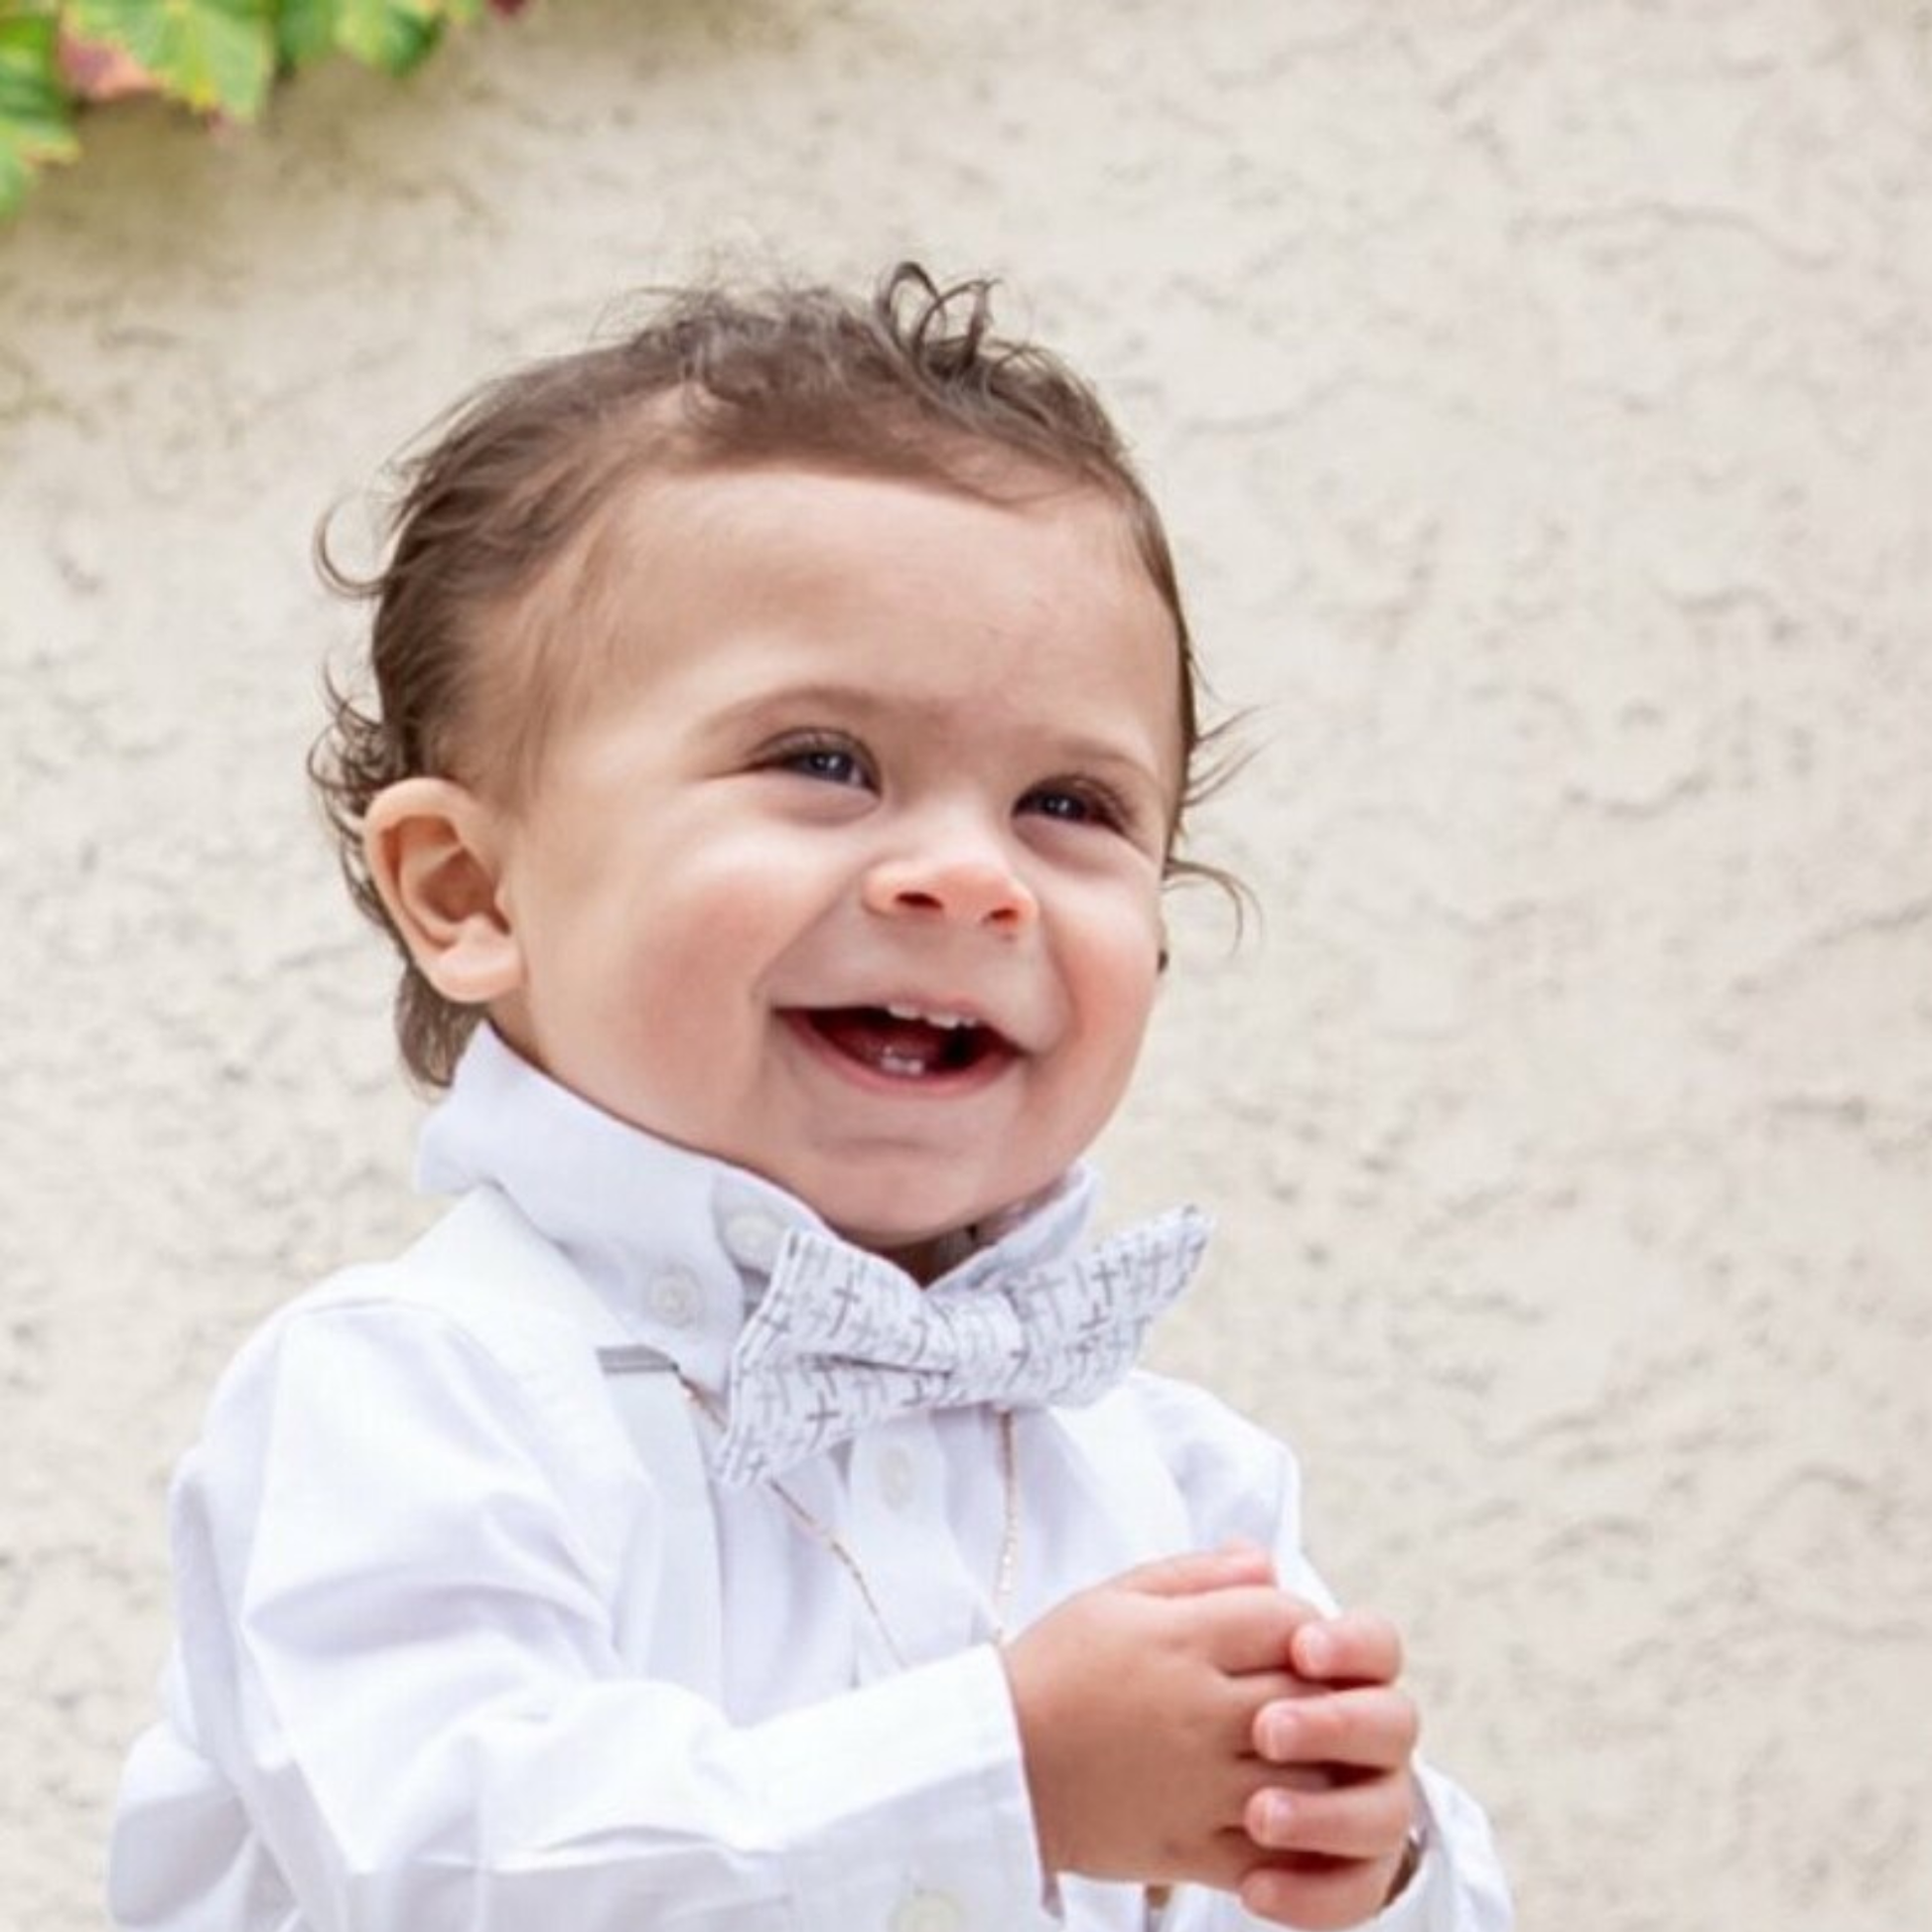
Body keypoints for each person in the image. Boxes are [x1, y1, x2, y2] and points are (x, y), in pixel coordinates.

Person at [108, 265, 1513, 1932]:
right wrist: (999, 1771)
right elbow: (453, 1867)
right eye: (824, 762)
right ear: (470, 891)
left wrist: (1363, 1863)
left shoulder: (1178, 1479)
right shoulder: (412, 1396)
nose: (965, 876)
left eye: (1066, 800)